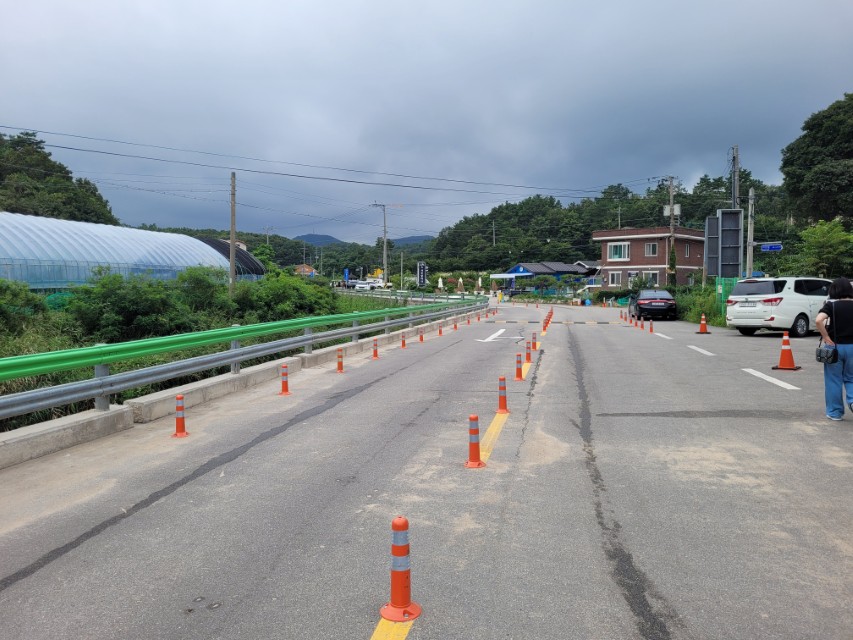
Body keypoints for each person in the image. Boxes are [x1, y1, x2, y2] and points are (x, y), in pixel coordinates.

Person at [815, 276, 853, 421]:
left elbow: (819, 320)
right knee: (851, 378)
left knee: (833, 380)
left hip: (834, 346)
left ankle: (835, 413)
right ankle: (852, 400)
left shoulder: (831, 305)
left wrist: (826, 337)